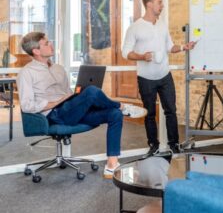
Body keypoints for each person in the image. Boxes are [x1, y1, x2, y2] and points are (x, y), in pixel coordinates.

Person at [17, 31, 147, 179]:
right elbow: (27, 105)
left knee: (113, 114)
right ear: (36, 51)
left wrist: (76, 95)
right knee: (92, 91)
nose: (51, 44)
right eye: (46, 43)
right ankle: (122, 107)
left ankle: (112, 164)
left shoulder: (58, 68)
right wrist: (57, 102)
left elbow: (67, 92)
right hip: (55, 114)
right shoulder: (26, 73)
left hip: (71, 110)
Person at [122, 0, 196, 156]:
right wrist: (142, 56)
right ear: (149, 3)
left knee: (171, 110)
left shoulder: (162, 24)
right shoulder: (135, 27)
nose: (162, 6)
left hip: (165, 76)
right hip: (146, 79)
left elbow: (170, 47)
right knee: (149, 113)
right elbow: (125, 52)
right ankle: (153, 146)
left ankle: (174, 144)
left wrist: (184, 47)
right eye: (159, 2)